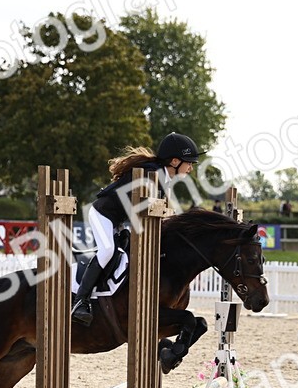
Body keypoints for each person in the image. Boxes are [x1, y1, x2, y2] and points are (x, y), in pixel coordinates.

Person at [71, 132, 201, 326]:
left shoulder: (164, 177)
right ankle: (80, 301)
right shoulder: (152, 176)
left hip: (120, 220)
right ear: (174, 161)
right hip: (103, 215)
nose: (191, 167)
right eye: (189, 162)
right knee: (107, 251)